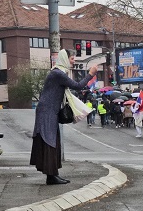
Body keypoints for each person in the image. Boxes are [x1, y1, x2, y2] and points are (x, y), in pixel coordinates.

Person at [30, 49, 97, 185]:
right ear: (65, 59)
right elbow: (77, 86)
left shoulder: (57, 72)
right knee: (50, 141)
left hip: (48, 111)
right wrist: (90, 74)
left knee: (52, 140)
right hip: (47, 112)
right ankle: (51, 175)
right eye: (72, 59)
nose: (73, 61)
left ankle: (52, 175)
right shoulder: (57, 74)